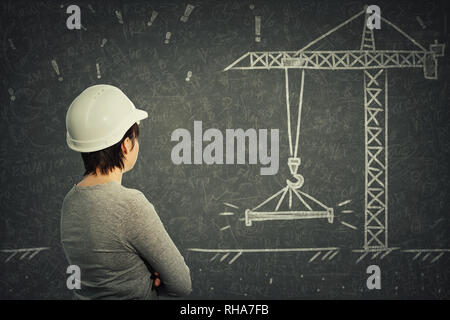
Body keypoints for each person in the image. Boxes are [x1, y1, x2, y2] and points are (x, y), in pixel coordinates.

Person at [60, 84, 192, 299]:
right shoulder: (130, 205)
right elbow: (181, 285)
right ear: (126, 145)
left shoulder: (70, 201)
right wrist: (151, 278)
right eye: (135, 137)